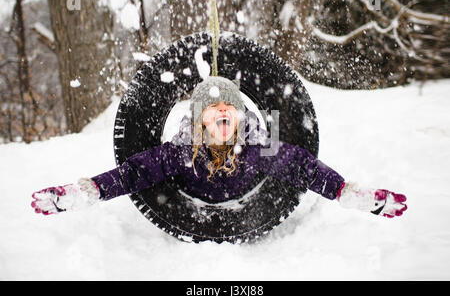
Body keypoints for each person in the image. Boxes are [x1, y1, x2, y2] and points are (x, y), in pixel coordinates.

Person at [31, 76, 407, 219]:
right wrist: (86, 191)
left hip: (249, 211)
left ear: (243, 117)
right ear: (199, 121)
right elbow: (135, 173)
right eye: (214, 109)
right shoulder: (181, 151)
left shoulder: (259, 147)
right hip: (192, 216)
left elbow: (303, 167)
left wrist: (348, 192)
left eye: (231, 108)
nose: (223, 111)